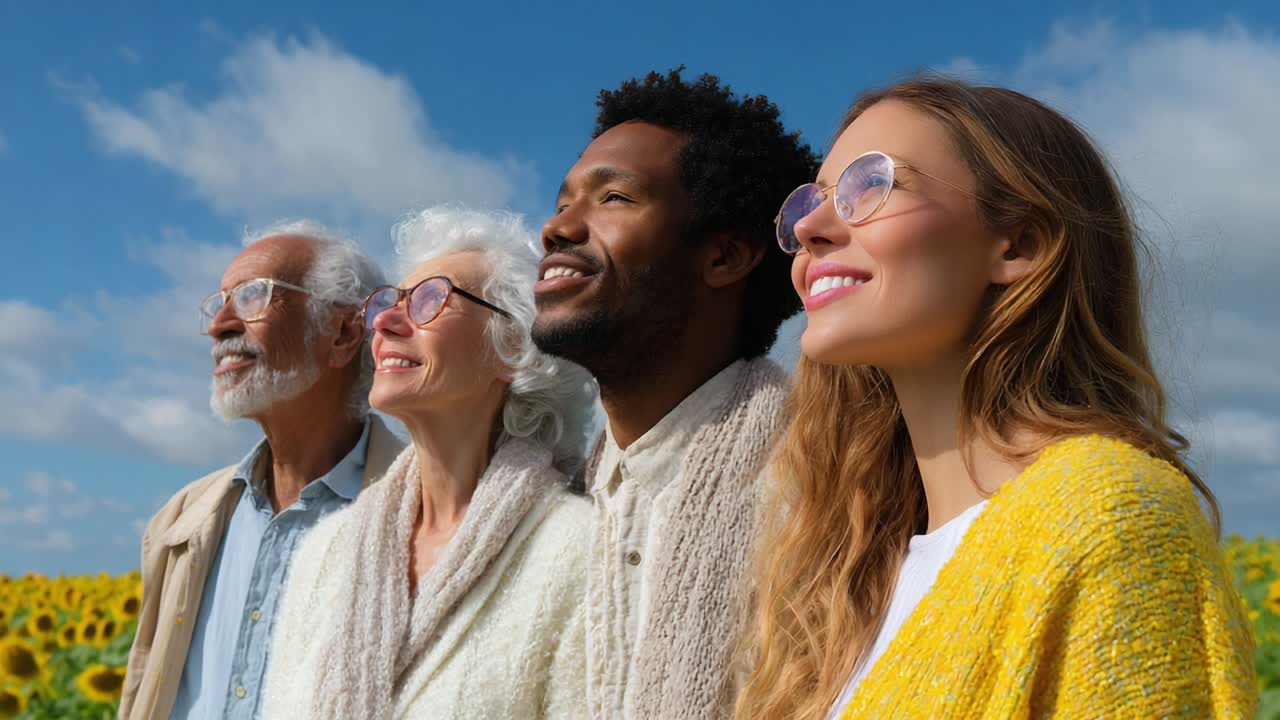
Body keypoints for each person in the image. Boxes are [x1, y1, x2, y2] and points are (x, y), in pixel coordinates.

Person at [735, 77, 1257, 720]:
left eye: (869, 185)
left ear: (1018, 246)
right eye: (811, 201)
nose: (811, 228)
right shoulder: (848, 574)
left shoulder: (1110, 520)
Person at [532, 68, 820, 719]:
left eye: (613, 199)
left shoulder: (822, 493)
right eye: (561, 203)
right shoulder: (553, 514)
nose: (557, 229)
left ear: (724, 258)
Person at [261, 207, 596, 720]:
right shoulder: (326, 551)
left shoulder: (581, 551)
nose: (386, 322)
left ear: (513, 346)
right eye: (388, 303)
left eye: (429, 301)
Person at [120, 222, 403, 720]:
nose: (219, 325)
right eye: (220, 301)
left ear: (342, 333)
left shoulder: (425, 512)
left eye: (252, 297)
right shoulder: (182, 521)